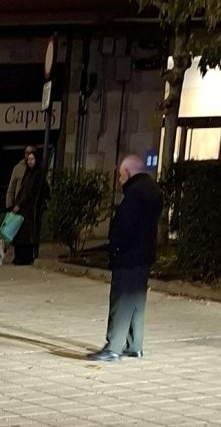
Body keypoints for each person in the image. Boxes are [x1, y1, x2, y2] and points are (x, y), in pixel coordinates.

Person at [87, 154, 163, 362]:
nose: (119, 180)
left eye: (120, 175)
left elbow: (125, 226)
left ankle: (114, 347)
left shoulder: (134, 194)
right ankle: (134, 344)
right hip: (144, 254)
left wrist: (116, 248)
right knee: (136, 301)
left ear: (128, 172)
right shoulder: (153, 191)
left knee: (121, 300)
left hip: (129, 255)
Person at [10, 150, 47, 266]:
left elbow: (30, 192)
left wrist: (19, 204)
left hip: (29, 209)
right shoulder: (28, 173)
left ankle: (25, 258)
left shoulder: (37, 174)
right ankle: (19, 257)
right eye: (29, 159)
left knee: (25, 236)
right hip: (23, 209)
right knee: (20, 235)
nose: (30, 162)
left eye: (32, 159)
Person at [5, 146, 36, 210]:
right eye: (27, 153)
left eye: (31, 153)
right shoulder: (18, 168)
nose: (28, 155)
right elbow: (11, 189)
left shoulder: (38, 170)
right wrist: (9, 206)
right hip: (19, 206)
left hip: (32, 207)